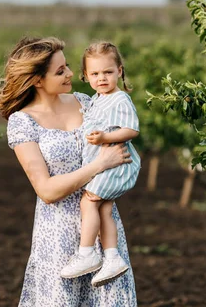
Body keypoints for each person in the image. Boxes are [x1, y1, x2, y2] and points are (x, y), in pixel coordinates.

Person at [0, 37, 137, 306]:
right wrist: (99, 165)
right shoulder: (23, 122)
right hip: (56, 236)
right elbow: (47, 191)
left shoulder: (86, 102)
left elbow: (121, 141)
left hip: (101, 231)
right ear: (37, 80)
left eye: (67, 66)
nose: (71, 73)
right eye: (60, 71)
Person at [60, 41, 141, 287]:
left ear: (120, 71)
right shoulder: (97, 99)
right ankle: (112, 257)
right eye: (95, 74)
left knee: (88, 201)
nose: (102, 78)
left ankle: (87, 253)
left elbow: (131, 130)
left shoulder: (119, 99)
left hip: (116, 162)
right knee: (104, 209)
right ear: (86, 76)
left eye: (107, 72)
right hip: (106, 163)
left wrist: (106, 137)